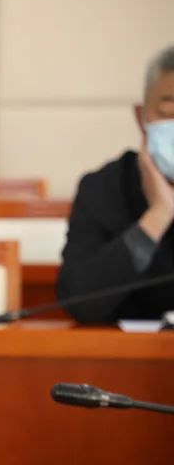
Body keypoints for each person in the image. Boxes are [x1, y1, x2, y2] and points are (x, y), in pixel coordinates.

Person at [57, 45, 174, 323]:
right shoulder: (102, 188)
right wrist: (158, 215)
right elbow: (78, 302)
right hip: (122, 349)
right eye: (167, 111)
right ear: (140, 117)